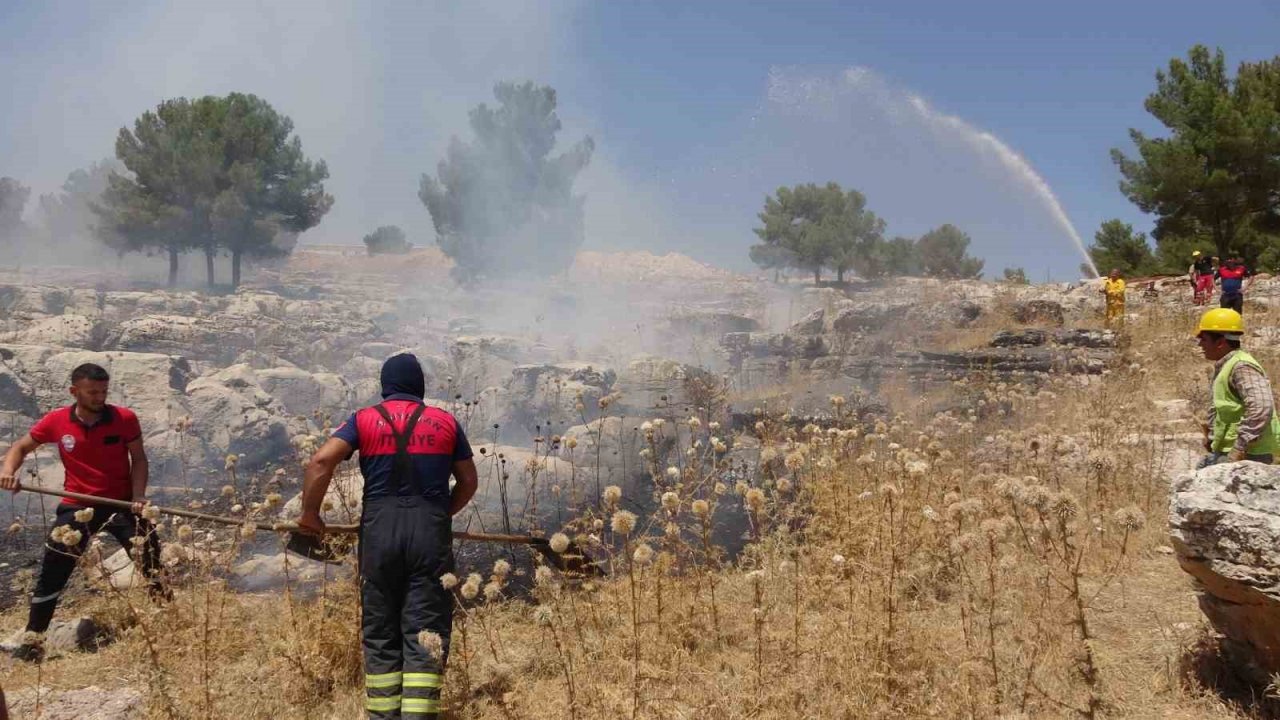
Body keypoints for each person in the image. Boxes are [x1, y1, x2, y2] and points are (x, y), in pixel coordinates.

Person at [299, 354, 478, 719]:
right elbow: (469, 481)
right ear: (419, 386)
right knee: (425, 629)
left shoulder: (364, 420)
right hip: (429, 532)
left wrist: (310, 514)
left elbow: (320, 461)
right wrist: (439, 515)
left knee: (380, 630)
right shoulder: (445, 421)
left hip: (379, 532)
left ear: (385, 387)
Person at [0, 363, 165, 662]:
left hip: (123, 504)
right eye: (92, 392)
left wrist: (139, 495)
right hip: (77, 505)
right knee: (53, 570)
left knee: (151, 561)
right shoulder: (56, 421)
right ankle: (33, 642)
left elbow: (139, 459)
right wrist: (9, 471)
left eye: (103, 391)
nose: (100, 397)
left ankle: (172, 626)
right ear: (74, 392)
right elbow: (20, 448)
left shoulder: (125, 419)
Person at [1195, 308, 1280, 468]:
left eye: (1203, 339)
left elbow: (1261, 407)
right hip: (1229, 452)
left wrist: (1239, 449)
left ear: (1220, 342)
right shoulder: (1227, 364)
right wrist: (1213, 437)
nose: (1200, 344)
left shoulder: (1241, 366)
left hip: (1251, 456)